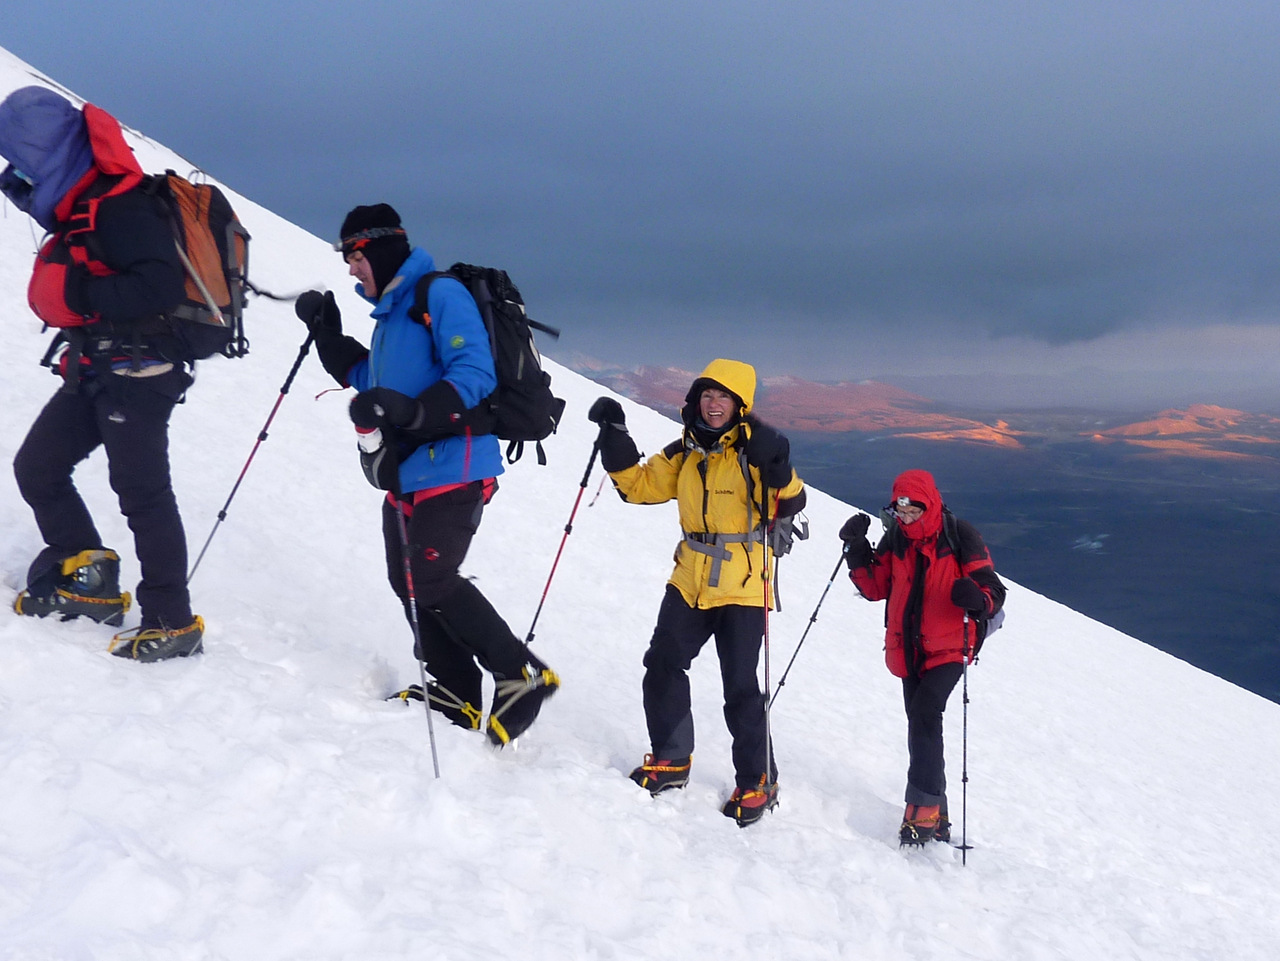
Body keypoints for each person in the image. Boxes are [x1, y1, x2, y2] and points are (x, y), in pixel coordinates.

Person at [294, 203, 557, 747]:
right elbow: (372, 376)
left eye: (356, 256)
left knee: (431, 578)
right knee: (408, 581)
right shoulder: (392, 316)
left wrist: (413, 412)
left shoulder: (439, 295)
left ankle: (521, 673)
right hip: (408, 469)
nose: (351, 268)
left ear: (381, 248)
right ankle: (457, 690)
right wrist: (327, 336)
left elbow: (475, 373)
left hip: (456, 462)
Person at [0, 86, 204, 662]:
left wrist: (80, 294)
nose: (20, 169)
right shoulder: (84, 205)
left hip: (141, 370)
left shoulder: (123, 205)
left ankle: (172, 619)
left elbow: (158, 285)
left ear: (47, 149)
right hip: (97, 365)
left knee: (141, 492)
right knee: (38, 466)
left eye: (23, 157)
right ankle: (87, 573)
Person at [589, 359, 806, 827]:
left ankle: (758, 780)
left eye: (723, 396)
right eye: (706, 395)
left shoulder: (752, 452)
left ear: (740, 404)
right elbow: (639, 487)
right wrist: (616, 438)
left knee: (740, 686)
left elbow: (789, 500)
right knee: (662, 663)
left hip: (743, 585)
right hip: (690, 577)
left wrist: (777, 463)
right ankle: (671, 759)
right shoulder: (685, 450)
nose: (713, 404)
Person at [840, 469, 1006, 845]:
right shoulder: (897, 538)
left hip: (950, 647)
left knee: (925, 715)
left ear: (928, 505)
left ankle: (923, 810)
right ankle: (937, 812)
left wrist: (978, 600)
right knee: (920, 724)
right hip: (909, 648)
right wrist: (857, 548)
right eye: (900, 512)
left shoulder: (959, 536)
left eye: (913, 512)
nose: (906, 518)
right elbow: (875, 587)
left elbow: (993, 590)